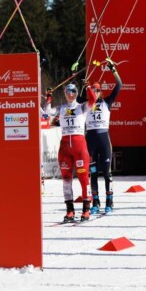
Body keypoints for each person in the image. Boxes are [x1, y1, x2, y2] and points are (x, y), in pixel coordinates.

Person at [46, 80, 96, 223]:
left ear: (76, 92)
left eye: (73, 91)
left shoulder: (82, 107)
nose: (71, 94)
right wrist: (49, 96)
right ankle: (70, 211)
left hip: (79, 146)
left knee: (83, 178)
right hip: (65, 147)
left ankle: (86, 209)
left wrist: (88, 87)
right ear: (65, 93)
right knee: (66, 180)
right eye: (68, 91)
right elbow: (48, 112)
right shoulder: (61, 108)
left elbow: (93, 99)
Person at [84, 58, 122, 214]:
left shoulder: (107, 102)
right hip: (90, 139)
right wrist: (77, 77)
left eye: (98, 90)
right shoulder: (84, 103)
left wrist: (113, 70)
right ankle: (95, 202)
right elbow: (76, 95)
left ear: (101, 91)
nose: (95, 92)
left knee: (106, 172)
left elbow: (119, 85)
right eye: (93, 90)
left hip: (103, 138)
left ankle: (109, 202)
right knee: (92, 172)